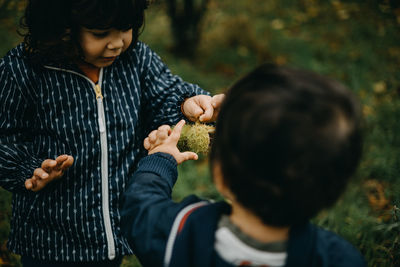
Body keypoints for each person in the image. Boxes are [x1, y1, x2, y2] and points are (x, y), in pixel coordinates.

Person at [0, 0, 224, 266]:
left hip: (114, 234)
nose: (117, 43)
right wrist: (28, 169)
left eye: (125, 28)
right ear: (63, 27)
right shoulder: (24, 71)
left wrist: (186, 103)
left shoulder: (136, 60)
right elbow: (5, 137)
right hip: (51, 242)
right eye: (100, 33)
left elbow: (165, 93)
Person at [120, 63, 366, 266]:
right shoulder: (340, 259)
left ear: (220, 175)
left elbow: (140, 207)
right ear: (332, 193)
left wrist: (160, 158)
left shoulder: (180, 233)